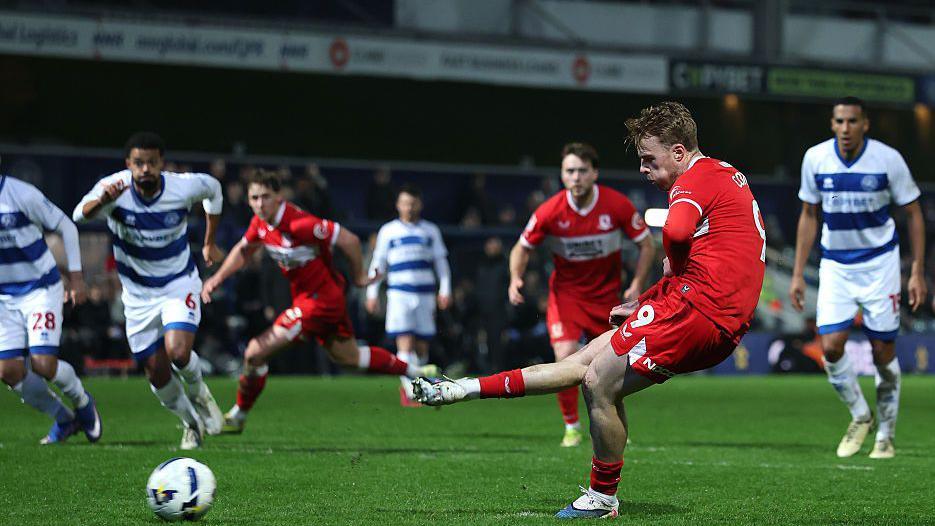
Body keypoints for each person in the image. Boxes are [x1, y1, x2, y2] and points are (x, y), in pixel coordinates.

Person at [413, 101, 766, 518]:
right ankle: (461, 389)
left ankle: (602, 497)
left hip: (701, 312)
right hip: (698, 306)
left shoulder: (692, 181)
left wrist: (671, 260)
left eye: (648, 160)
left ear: (678, 152)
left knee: (597, 381)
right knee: (583, 361)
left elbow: (676, 230)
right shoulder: (723, 173)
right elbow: (712, 257)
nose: (643, 169)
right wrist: (648, 298)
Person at [201, 171, 440, 433]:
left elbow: (348, 239)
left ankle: (238, 415)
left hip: (319, 302)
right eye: (254, 198)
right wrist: (218, 278)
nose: (259, 203)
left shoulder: (300, 224)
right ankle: (417, 369)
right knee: (350, 357)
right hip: (317, 299)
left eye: (265, 197)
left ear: (279, 198)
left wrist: (359, 276)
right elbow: (244, 249)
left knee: (255, 353)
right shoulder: (260, 224)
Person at [789, 96, 926, 460]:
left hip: (880, 265)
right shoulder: (816, 159)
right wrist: (799, 274)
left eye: (852, 121)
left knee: (883, 353)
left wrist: (916, 271)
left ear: (865, 124)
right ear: (832, 124)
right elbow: (808, 214)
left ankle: (886, 434)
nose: (845, 128)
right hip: (835, 265)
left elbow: (913, 214)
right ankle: (861, 415)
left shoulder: (887, 159)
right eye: (839, 121)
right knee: (831, 347)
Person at [73, 132, 225, 450]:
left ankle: (201, 394)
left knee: (179, 352)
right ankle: (191, 424)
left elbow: (213, 188)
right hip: (138, 295)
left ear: (161, 164)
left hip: (178, 282)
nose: (146, 169)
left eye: (152, 163)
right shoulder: (114, 189)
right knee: (155, 371)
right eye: (139, 163)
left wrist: (209, 241)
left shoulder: (181, 187)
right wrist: (103, 201)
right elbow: (78, 215)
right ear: (128, 164)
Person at [508, 142, 656, 447]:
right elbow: (521, 247)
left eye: (581, 171)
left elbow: (647, 244)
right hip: (567, 300)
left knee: (610, 367)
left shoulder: (616, 205)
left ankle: (615, 426)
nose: (575, 177)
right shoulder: (550, 211)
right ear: (562, 175)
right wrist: (515, 278)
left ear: (594, 173)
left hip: (607, 301)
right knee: (565, 357)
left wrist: (638, 282)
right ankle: (572, 426)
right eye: (569, 171)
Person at [0, 169, 102, 444]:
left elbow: (66, 226)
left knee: (43, 364)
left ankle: (82, 402)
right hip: (3, 299)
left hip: (40, 288)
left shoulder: (21, 194)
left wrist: (77, 277)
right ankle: (64, 418)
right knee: (8, 371)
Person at [365, 184, 451, 406]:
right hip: (399, 294)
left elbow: (441, 262)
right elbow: (379, 263)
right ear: (398, 205)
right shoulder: (388, 231)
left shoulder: (430, 231)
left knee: (422, 346)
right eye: (405, 203)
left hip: (425, 295)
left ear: (419, 204)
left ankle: (418, 387)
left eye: (412, 203)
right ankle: (411, 391)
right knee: (405, 343)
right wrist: (372, 292)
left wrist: (445, 289)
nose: (409, 207)